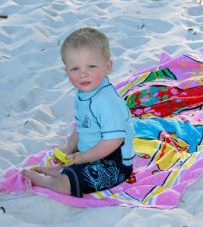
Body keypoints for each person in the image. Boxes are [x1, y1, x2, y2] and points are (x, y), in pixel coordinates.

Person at [22, 27, 135, 197]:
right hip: (91, 155)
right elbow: (81, 127)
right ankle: (63, 171)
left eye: (91, 66)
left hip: (114, 164)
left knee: (68, 184)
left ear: (108, 67)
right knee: (72, 164)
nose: (83, 74)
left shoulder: (107, 101)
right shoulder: (83, 95)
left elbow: (113, 141)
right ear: (66, 71)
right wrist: (69, 148)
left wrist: (83, 157)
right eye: (75, 68)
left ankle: (50, 182)